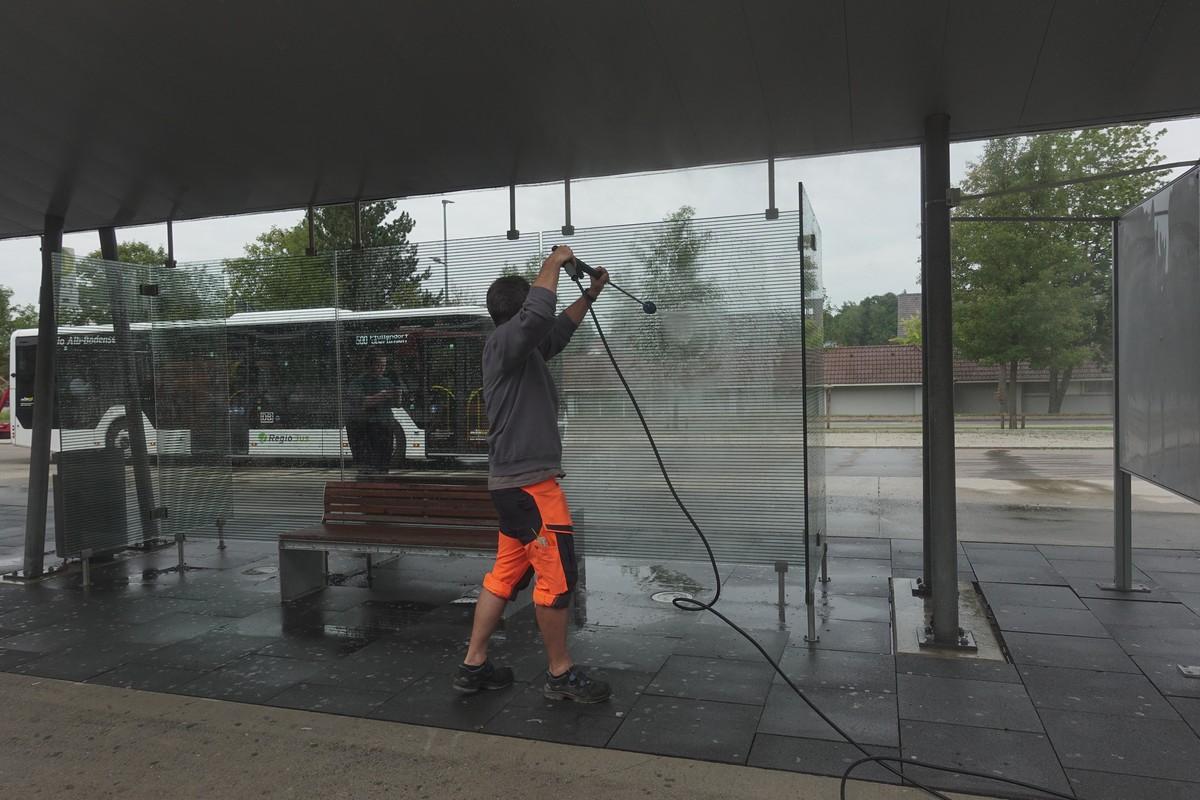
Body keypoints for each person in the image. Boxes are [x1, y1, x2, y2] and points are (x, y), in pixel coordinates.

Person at [454, 245, 612, 703]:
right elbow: (539, 315)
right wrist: (554, 263)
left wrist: (591, 295)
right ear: (519, 310)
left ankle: (473, 666)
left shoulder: (521, 351)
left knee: (504, 576)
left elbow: (556, 330)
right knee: (558, 580)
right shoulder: (504, 342)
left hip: (514, 488)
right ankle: (560, 675)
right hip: (530, 489)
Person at [346, 350, 401, 476]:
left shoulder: (387, 382)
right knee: (368, 468)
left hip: (385, 427)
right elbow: (362, 403)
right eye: (379, 365)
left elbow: (397, 404)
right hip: (366, 428)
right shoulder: (358, 382)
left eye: (384, 365)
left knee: (383, 466)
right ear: (369, 365)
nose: (382, 368)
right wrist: (383, 395)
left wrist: (397, 394)